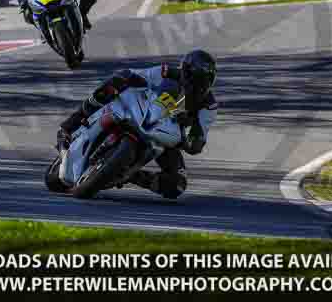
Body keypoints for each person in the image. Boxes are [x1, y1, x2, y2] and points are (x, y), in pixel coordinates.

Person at [55, 50, 218, 199]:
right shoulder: (166, 72)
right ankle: (72, 124)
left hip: (167, 134)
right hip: (144, 111)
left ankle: (131, 175)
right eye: (190, 77)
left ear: (209, 83)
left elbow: (198, 139)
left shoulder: (208, 106)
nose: (192, 85)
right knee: (119, 79)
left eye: (200, 82)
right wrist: (127, 79)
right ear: (183, 71)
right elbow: (138, 76)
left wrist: (189, 141)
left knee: (176, 186)